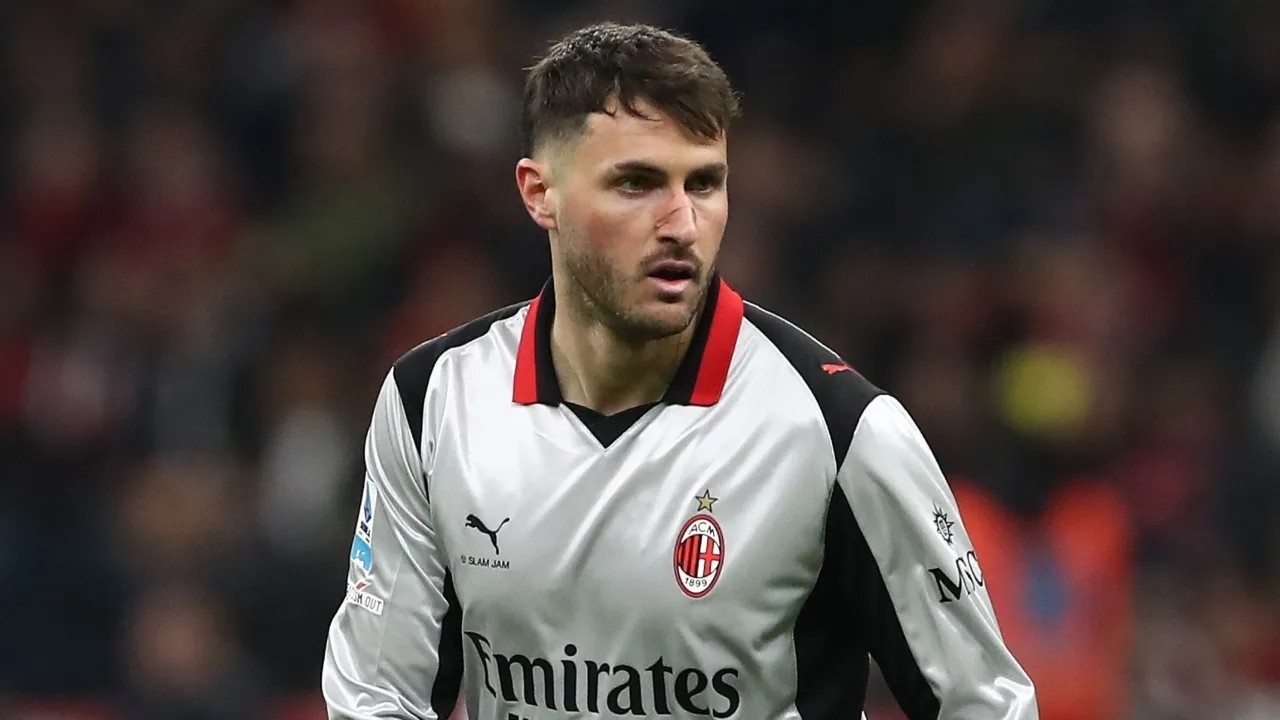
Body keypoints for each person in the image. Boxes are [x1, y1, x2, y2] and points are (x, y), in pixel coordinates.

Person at [321, 21, 1038, 720]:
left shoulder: (839, 429)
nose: (682, 223)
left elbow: (985, 703)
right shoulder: (433, 401)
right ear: (541, 194)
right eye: (636, 184)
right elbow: (376, 697)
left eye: (703, 184)